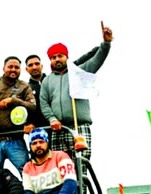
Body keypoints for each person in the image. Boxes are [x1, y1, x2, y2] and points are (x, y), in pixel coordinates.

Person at [40, 21, 114, 163]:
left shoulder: (78, 72)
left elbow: (97, 59)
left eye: (60, 56)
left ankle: (82, 187)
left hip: (79, 126)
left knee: (81, 162)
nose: (57, 59)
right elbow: (44, 103)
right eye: (53, 57)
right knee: (61, 166)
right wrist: (52, 119)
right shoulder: (47, 81)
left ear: (66, 57)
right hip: (59, 129)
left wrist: (106, 43)